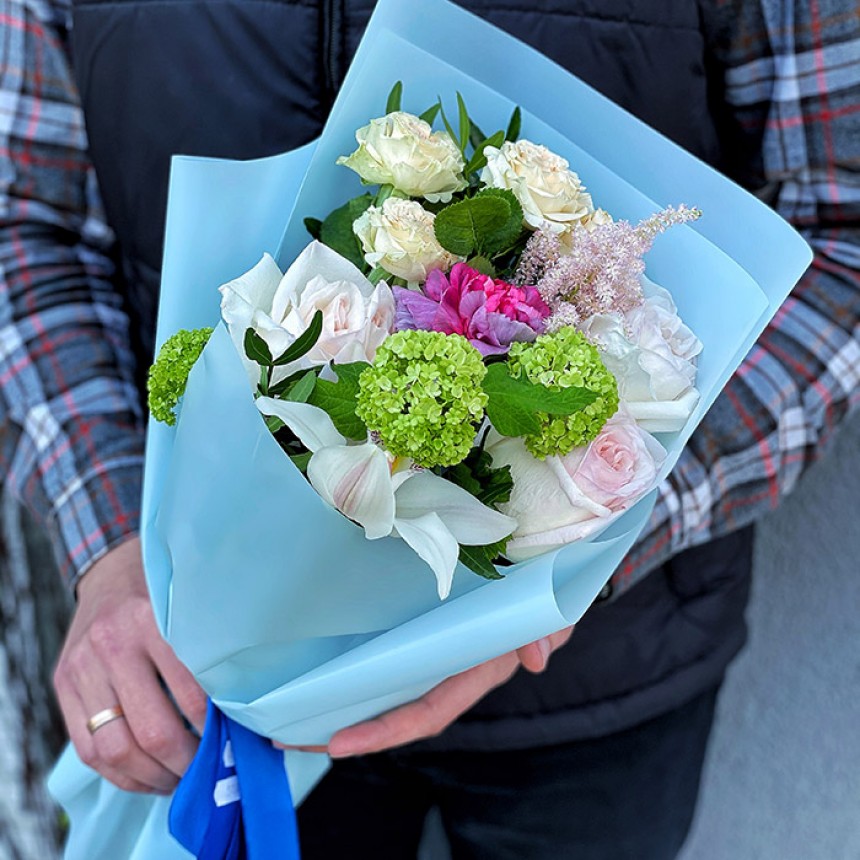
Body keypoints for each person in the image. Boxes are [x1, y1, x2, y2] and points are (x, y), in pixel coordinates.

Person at [0, 0, 857, 857]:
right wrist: (113, 542)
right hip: (230, 669)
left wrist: (580, 552)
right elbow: (28, 222)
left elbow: (842, 238)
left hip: (593, 692)